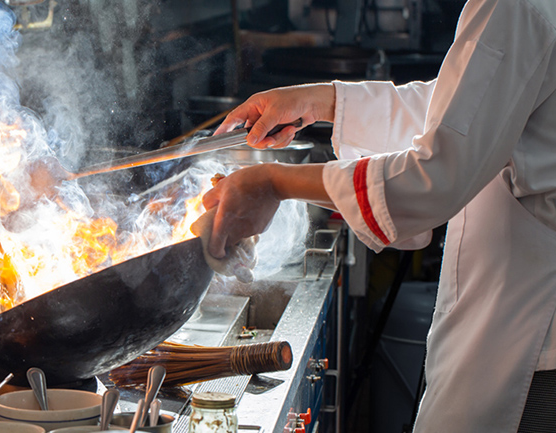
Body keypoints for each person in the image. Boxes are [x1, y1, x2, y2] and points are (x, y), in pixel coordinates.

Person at [201, 0, 556, 431]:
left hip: (531, 347)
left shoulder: (516, 6)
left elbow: (435, 177)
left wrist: (274, 183)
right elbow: (466, 104)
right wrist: (322, 101)